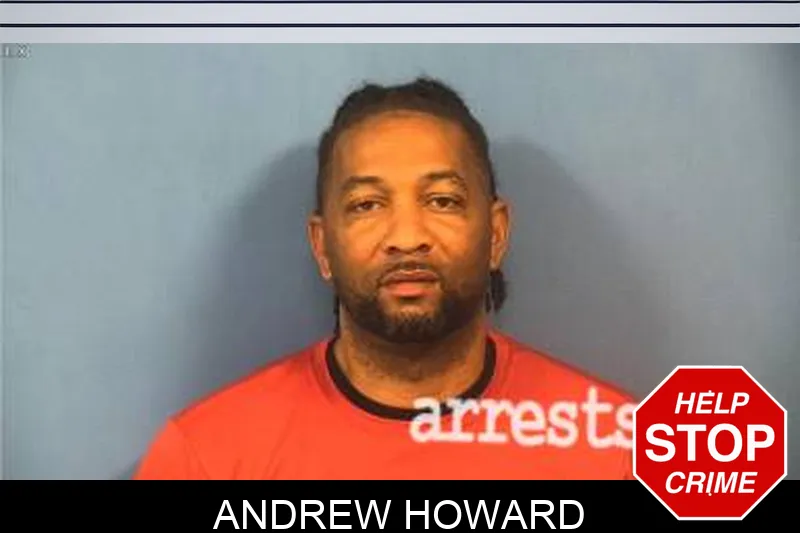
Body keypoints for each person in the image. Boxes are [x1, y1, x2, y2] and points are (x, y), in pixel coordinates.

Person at [134, 77, 636, 480]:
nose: (407, 237)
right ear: (322, 246)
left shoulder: (621, 448)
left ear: (496, 234)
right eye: (367, 205)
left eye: (442, 200)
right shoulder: (206, 458)